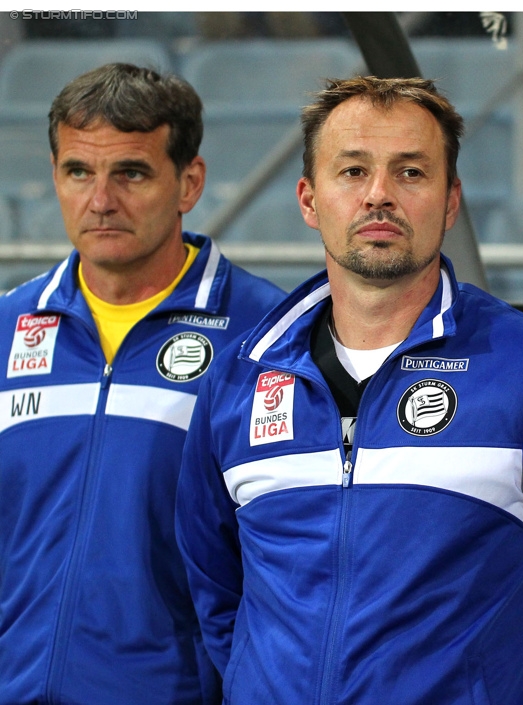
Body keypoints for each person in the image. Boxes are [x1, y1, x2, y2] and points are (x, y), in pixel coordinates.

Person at [175, 75, 523, 704]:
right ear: (308, 198)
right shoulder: (239, 378)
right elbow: (217, 599)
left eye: (411, 173)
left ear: (451, 198)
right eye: (352, 172)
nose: (379, 195)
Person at [0, 63, 285, 703]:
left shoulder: (264, 338)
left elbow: (293, 559)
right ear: (55, 178)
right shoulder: (5, 328)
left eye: (130, 172)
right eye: (79, 172)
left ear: (189, 182)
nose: (101, 200)